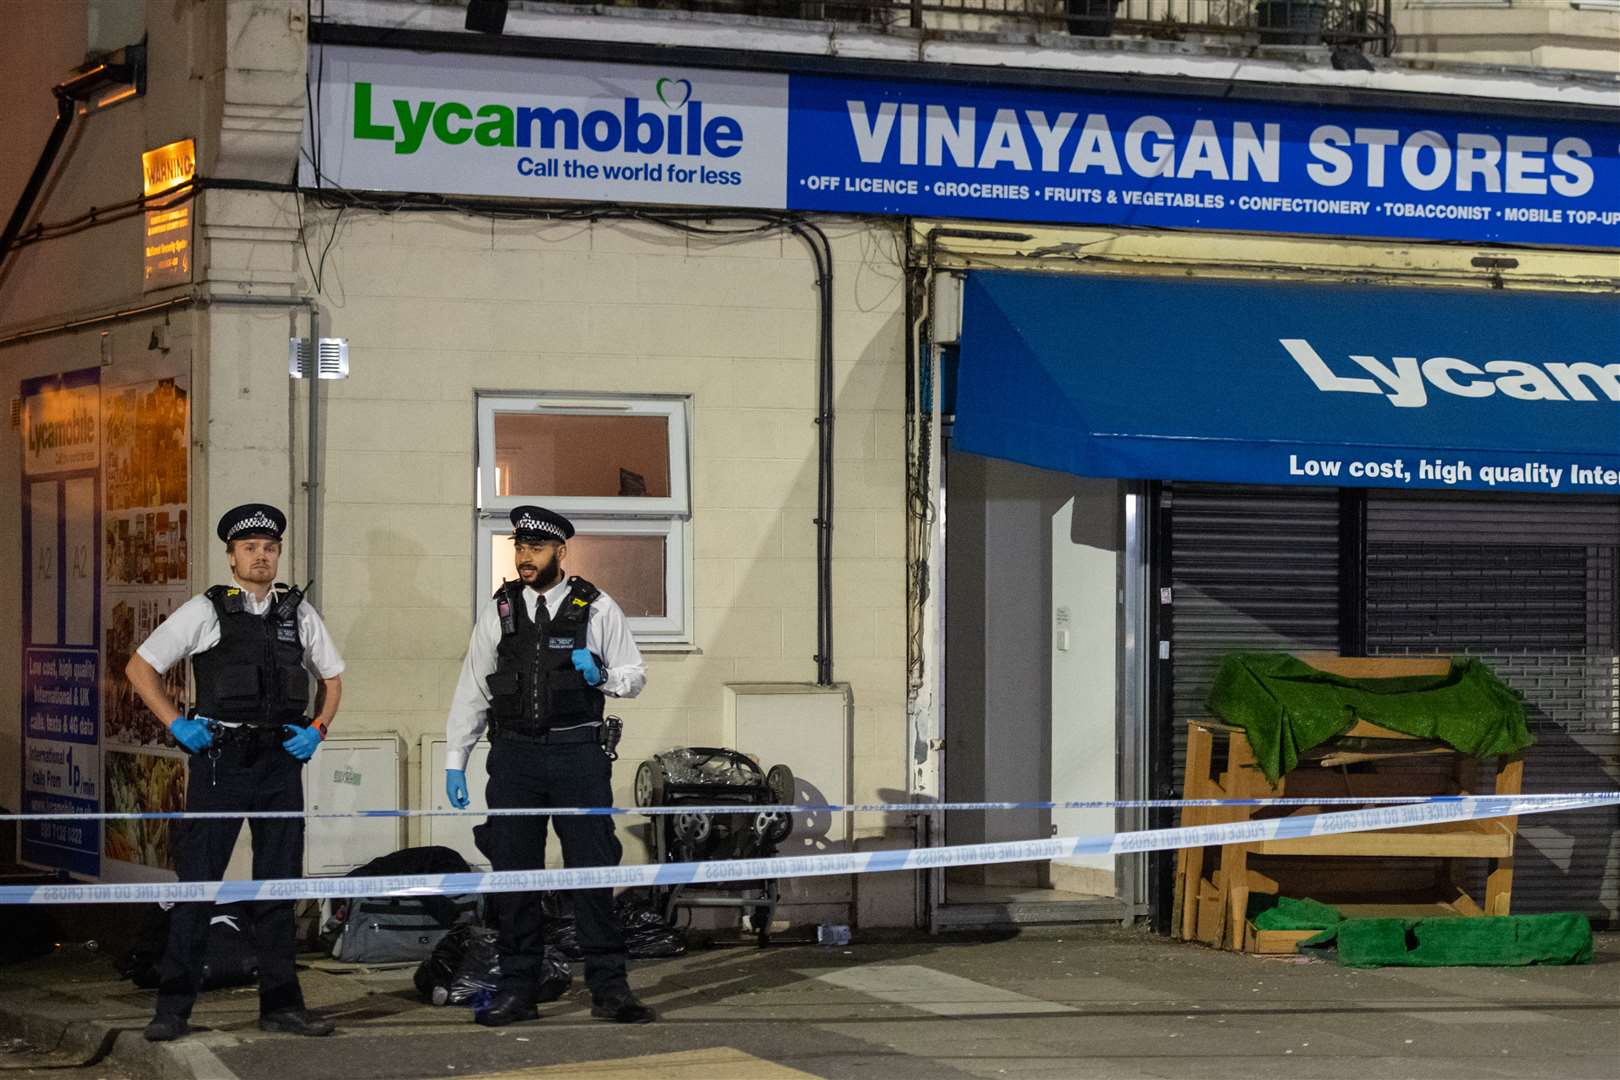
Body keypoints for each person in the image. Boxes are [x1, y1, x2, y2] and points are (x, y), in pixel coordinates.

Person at [126, 503, 345, 1042]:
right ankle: (172, 1010)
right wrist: (178, 725)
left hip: (279, 760)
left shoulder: (298, 612)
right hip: (221, 759)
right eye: (250, 548)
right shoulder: (207, 611)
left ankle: (282, 1007)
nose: (261, 556)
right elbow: (140, 667)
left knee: (278, 888)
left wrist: (317, 728)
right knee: (199, 885)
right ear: (231, 556)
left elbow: (333, 678)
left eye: (269, 548)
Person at [444, 505, 653, 1026]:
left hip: (578, 754)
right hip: (513, 757)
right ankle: (518, 990)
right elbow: (472, 688)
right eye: (519, 548)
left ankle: (610, 989)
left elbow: (634, 676)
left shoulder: (597, 607)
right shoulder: (500, 611)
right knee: (515, 876)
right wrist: (456, 758)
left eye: (535, 549)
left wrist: (601, 672)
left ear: (561, 551)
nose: (525, 558)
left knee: (591, 872)